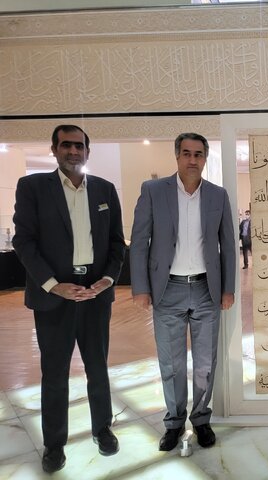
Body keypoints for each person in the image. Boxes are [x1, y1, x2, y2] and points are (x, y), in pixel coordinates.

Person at [12, 125, 125, 473]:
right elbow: (24, 241)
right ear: (54, 149)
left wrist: (108, 279)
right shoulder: (32, 187)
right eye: (66, 145)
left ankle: (102, 429)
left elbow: (116, 242)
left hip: (95, 294)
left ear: (88, 151)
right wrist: (52, 284)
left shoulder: (105, 189)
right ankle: (54, 444)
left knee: (98, 368)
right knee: (55, 373)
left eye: (79, 146)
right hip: (54, 297)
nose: (73, 151)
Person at [129, 132, 236, 452]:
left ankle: (201, 419)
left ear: (205, 159)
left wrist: (228, 288)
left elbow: (228, 245)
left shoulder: (217, 195)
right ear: (177, 156)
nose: (192, 159)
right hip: (168, 290)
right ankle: (174, 423)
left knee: (205, 363)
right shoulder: (153, 191)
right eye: (186, 153)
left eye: (198, 154)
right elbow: (139, 241)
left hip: (206, 289)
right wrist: (140, 288)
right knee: (171, 363)